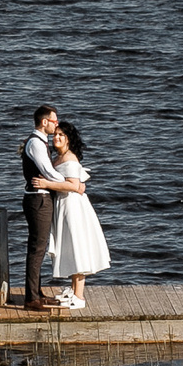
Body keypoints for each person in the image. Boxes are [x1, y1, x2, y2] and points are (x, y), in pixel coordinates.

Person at [17, 105, 81, 311]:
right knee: (37, 249)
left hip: (42, 199)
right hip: (38, 200)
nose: (56, 124)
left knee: (40, 247)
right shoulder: (36, 143)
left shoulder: (39, 142)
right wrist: (71, 182)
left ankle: (36, 292)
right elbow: (48, 172)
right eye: (54, 121)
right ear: (44, 122)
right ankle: (31, 298)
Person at [46, 119, 110, 308]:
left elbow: (74, 185)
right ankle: (73, 290)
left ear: (68, 139)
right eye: (55, 135)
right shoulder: (58, 158)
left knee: (76, 246)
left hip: (72, 207)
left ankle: (79, 297)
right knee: (68, 245)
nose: (56, 138)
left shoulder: (69, 159)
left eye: (61, 135)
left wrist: (46, 184)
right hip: (63, 205)